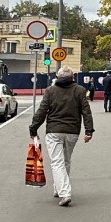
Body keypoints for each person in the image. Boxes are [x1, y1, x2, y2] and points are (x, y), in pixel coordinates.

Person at [29, 67, 94, 207]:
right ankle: (59, 188)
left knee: (57, 162)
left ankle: (65, 192)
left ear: (57, 77)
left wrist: (33, 129)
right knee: (66, 161)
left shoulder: (50, 91)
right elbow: (86, 112)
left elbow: (42, 111)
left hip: (54, 131)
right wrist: (89, 131)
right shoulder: (80, 90)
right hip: (72, 132)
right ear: (73, 77)